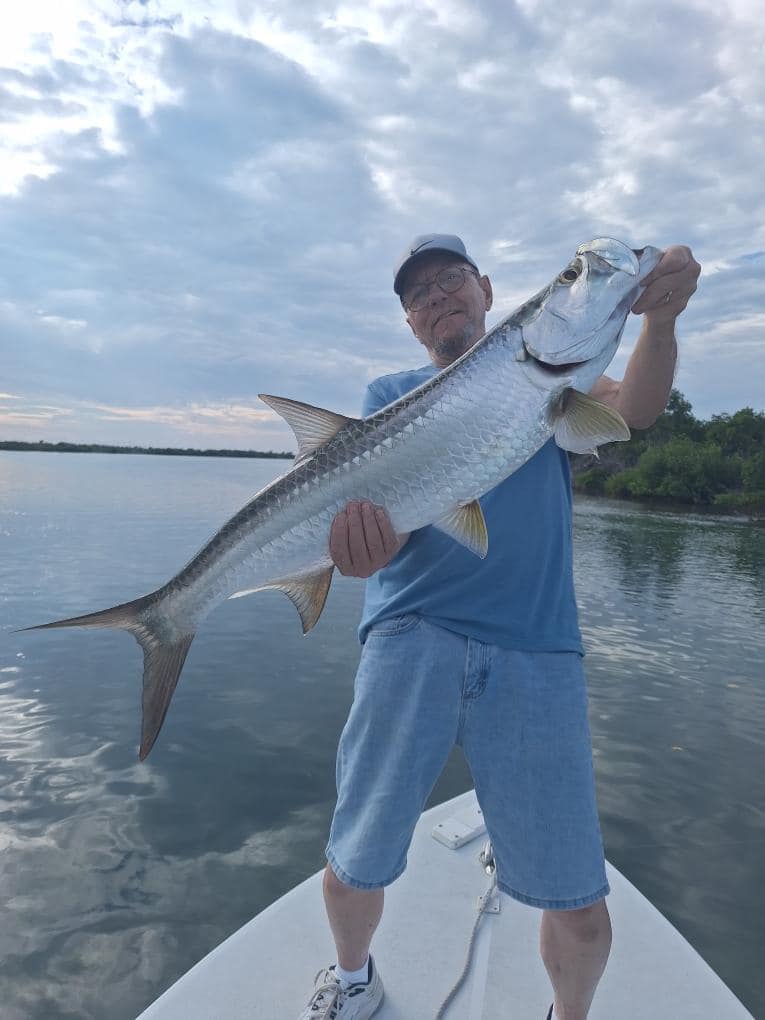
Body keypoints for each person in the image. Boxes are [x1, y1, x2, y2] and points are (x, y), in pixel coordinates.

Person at [298, 233, 701, 1020]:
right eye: (418, 294)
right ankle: (352, 980)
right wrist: (354, 553)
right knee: (355, 857)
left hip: (536, 647)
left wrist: (659, 319)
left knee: (576, 898)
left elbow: (636, 409)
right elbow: (381, 530)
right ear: (410, 323)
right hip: (411, 633)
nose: (437, 298)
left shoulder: (560, 384)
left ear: (486, 289)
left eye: (449, 279)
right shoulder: (390, 393)